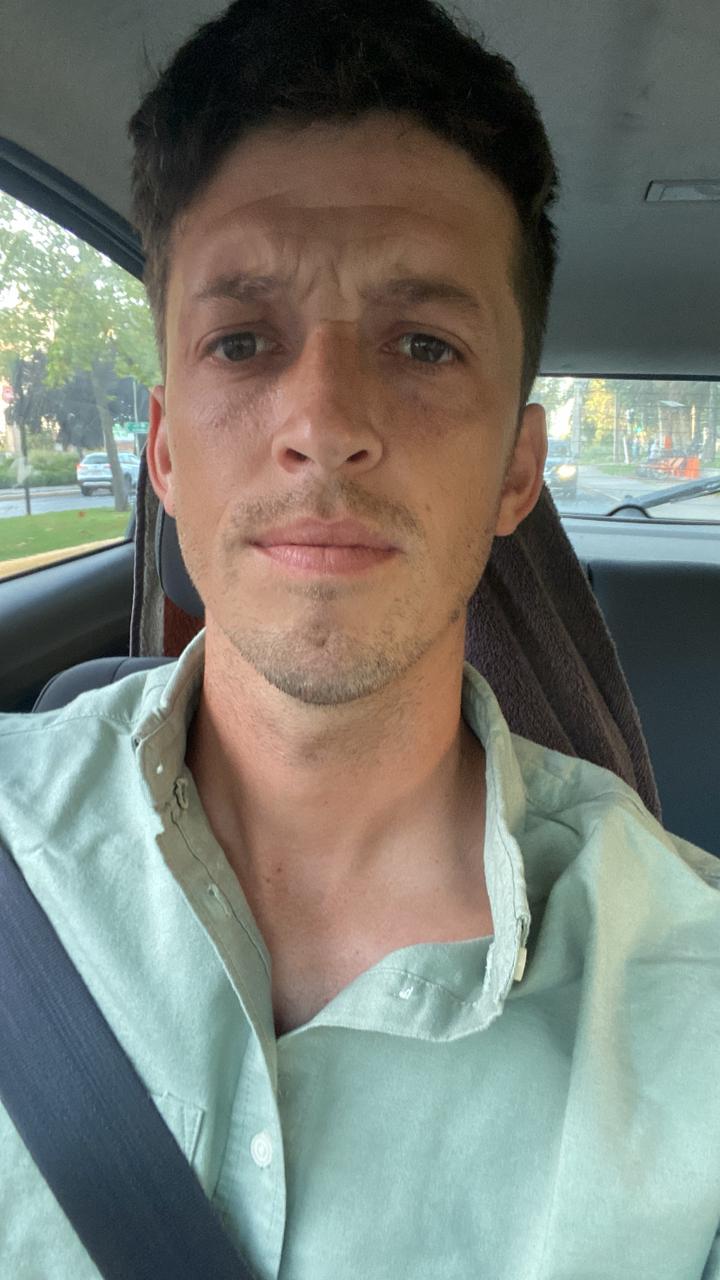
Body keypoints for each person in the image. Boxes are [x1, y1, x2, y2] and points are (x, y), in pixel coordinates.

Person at [2, 2, 720, 1277]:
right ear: (164, 451)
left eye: (423, 344)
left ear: (517, 471)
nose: (324, 420)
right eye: (242, 341)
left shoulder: (692, 991)